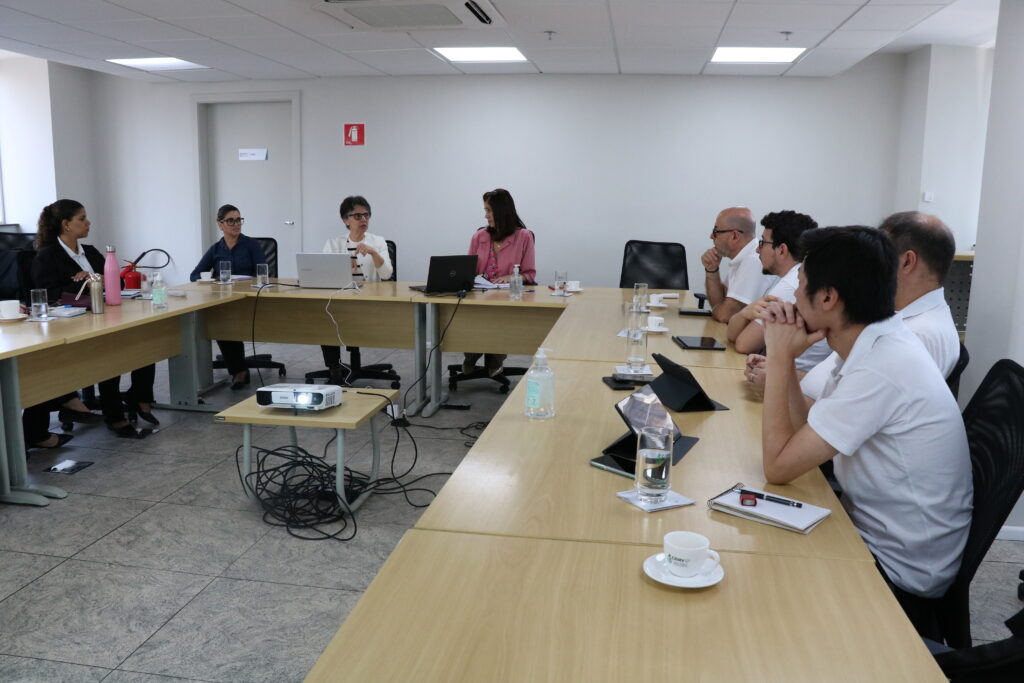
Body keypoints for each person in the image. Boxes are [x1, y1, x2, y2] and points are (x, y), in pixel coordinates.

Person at [759, 226, 971, 629]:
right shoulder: (874, 341)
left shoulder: (882, 365)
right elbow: (803, 434)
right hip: (871, 531)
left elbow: (779, 467)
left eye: (799, 284)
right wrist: (785, 361)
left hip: (896, 573)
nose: (792, 297)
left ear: (827, 297)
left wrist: (778, 352)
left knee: (759, 588)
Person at [798, 211, 960, 400]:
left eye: (882, 254)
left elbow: (850, 405)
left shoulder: (921, 335)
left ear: (907, 262)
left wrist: (781, 372)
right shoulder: (897, 317)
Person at [33, 199, 156, 438]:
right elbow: (47, 294)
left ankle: (139, 396)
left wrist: (95, 277)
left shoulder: (89, 251)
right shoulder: (47, 256)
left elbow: (118, 282)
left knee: (146, 342)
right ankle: (115, 414)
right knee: (110, 354)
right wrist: (81, 282)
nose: (88, 223)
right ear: (66, 224)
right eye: (82, 219)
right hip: (72, 323)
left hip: (104, 315)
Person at [726, 211, 830, 370]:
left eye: (763, 243)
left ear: (781, 250)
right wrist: (744, 313)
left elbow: (743, 344)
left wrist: (744, 315)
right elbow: (732, 335)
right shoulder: (796, 276)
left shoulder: (792, 284)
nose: (757, 250)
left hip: (794, 382)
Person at [190, 204, 267, 390]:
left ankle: (239, 370)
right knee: (220, 322)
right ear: (220, 224)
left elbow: (264, 272)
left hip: (248, 299)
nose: (236, 224)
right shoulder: (216, 249)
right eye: (230, 220)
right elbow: (195, 275)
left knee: (229, 320)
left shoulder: (251, 245)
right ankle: (238, 371)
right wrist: (214, 281)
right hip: (224, 299)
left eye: (238, 220)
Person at [462, 188, 536, 377]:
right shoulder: (479, 236)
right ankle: (472, 353)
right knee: (474, 316)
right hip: (480, 296)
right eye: (485, 210)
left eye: (489, 210)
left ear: (502, 211)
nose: (486, 216)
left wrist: (513, 277)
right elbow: (467, 270)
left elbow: (529, 274)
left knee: (497, 316)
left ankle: (492, 357)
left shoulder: (524, 236)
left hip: (507, 298)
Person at [319, 196, 394, 382]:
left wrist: (374, 253)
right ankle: (334, 367)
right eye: (358, 215)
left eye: (366, 215)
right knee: (324, 316)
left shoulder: (377, 241)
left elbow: (386, 275)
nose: (363, 219)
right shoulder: (334, 244)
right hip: (341, 300)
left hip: (369, 302)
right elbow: (324, 274)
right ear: (346, 220)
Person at [701, 206, 778, 323]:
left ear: (734, 236)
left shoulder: (754, 260)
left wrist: (718, 310)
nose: (711, 236)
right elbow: (721, 303)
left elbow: (725, 315)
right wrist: (712, 270)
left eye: (716, 232)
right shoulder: (742, 257)